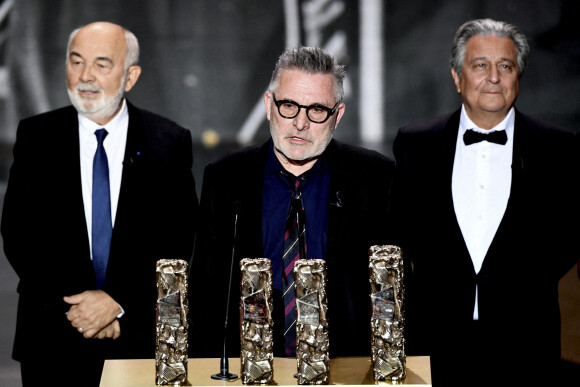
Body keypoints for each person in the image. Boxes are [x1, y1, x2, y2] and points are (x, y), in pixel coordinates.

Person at [1, 22, 198, 386]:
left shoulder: (168, 142)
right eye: (76, 62)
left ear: (130, 76)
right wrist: (84, 306)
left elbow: (179, 241)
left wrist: (117, 303)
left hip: (137, 337)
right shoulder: (36, 136)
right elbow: (18, 235)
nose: (85, 76)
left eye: (102, 64)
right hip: (52, 338)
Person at [388, 18, 580, 385]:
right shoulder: (416, 144)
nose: (493, 77)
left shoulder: (557, 148)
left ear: (517, 77)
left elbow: (568, 236)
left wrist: (518, 284)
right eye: (480, 65)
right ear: (457, 77)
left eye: (505, 66)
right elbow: (399, 235)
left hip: (526, 342)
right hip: (435, 342)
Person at [191, 47, 394, 359]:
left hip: (346, 370)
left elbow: (388, 295)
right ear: (269, 105)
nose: (300, 123)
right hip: (249, 371)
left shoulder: (373, 178)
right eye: (289, 106)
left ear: (337, 115)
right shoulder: (226, 178)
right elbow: (206, 294)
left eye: (316, 110)